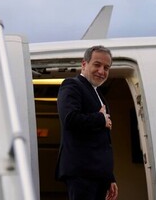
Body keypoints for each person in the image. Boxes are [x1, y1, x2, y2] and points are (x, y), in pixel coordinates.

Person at [56, 45, 118, 200]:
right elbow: (70, 119)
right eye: (97, 65)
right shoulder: (72, 85)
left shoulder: (99, 95)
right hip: (82, 173)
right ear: (84, 64)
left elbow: (102, 143)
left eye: (106, 67)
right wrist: (100, 119)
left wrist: (109, 177)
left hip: (98, 175)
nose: (102, 71)